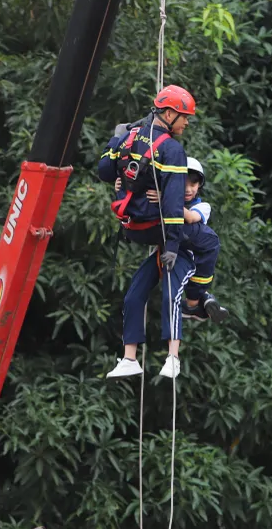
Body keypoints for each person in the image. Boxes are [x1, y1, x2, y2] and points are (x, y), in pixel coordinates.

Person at [97, 85, 196, 379]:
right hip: (161, 231)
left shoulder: (128, 137)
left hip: (135, 228)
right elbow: (174, 202)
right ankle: (198, 300)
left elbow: (104, 171)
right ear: (168, 113)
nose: (186, 123)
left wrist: (116, 140)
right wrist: (173, 245)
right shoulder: (172, 149)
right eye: (184, 117)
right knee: (204, 237)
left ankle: (129, 357)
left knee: (134, 295)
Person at [120, 156, 230, 324]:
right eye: (183, 184)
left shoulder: (202, 206)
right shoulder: (166, 198)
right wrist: (121, 185)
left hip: (190, 256)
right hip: (168, 251)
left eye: (193, 184)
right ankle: (202, 305)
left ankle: (194, 303)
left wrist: (167, 198)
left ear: (199, 186)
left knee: (191, 283)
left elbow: (191, 218)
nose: (187, 189)